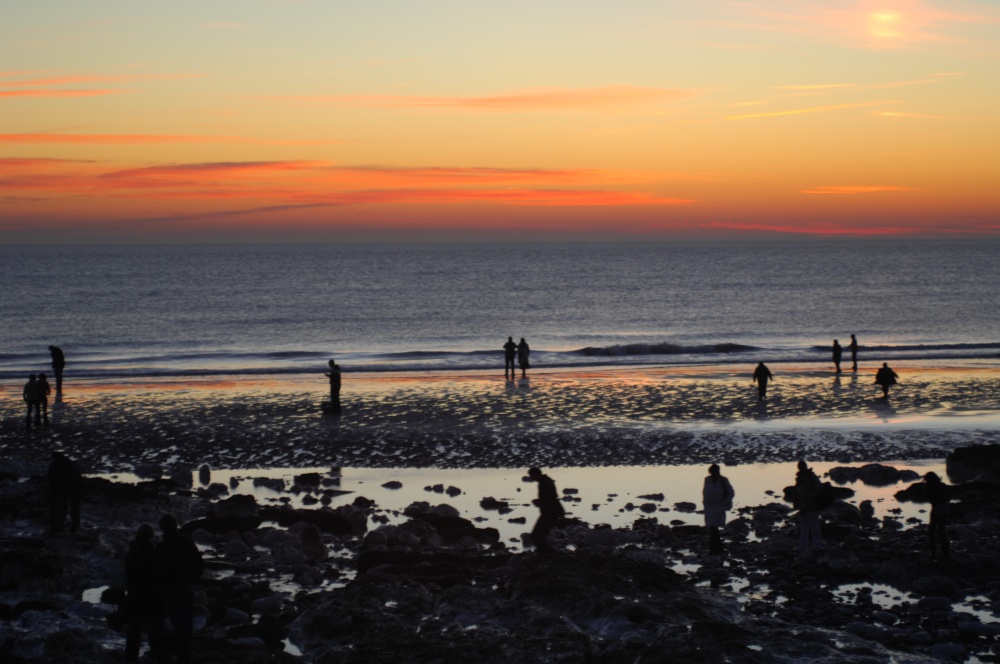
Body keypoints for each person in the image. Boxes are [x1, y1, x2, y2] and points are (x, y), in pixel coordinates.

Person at [155, 513, 203, 664]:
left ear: (162, 528)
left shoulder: (162, 547)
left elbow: (157, 572)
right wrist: (190, 579)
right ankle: (187, 657)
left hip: (172, 589)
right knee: (187, 624)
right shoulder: (187, 542)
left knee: (178, 625)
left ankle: (183, 658)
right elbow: (199, 565)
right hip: (186, 587)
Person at [124, 523, 165, 663]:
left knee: (134, 629)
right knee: (155, 628)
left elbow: (128, 575)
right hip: (152, 595)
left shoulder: (132, 552)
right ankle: (157, 655)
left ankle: (131, 658)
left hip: (136, 595)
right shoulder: (154, 552)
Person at [527, 467, 565, 554]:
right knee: (534, 536)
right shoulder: (544, 481)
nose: (531, 478)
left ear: (536, 474)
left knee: (538, 538)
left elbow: (551, 498)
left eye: (532, 476)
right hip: (546, 513)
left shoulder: (545, 482)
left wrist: (539, 502)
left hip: (551, 513)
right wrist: (540, 502)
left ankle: (552, 555)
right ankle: (545, 554)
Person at [702, 464, 735, 555]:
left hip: (718, 507)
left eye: (716, 471)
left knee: (714, 527)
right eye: (713, 472)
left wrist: (724, 503)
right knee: (712, 527)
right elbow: (704, 492)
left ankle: (714, 549)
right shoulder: (707, 480)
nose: (715, 473)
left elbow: (731, 493)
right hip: (709, 507)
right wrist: (704, 502)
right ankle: (717, 548)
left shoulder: (723, 480)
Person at [49, 451, 82, 533]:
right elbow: (78, 477)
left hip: (63, 489)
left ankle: (58, 526)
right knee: (74, 508)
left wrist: (54, 490)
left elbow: (52, 480)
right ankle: (75, 525)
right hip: (76, 488)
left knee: (60, 508)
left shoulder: (54, 465)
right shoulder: (72, 464)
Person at [795, 460, 823, 551]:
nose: (802, 468)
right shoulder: (799, 478)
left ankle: (817, 546)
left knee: (814, 527)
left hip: (812, 505)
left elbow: (819, 487)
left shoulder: (811, 476)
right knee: (804, 528)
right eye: (801, 467)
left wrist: (811, 495)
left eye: (802, 467)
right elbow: (798, 492)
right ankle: (802, 547)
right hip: (803, 507)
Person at [922, 472, 951, 562]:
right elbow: (948, 497)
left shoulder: (930, 487)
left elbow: (926, 497)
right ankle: (946, 554)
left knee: (931, 532)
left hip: (936, 509)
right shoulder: (943, 485)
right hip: (945, 509)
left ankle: (933, 554)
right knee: (942, 532)